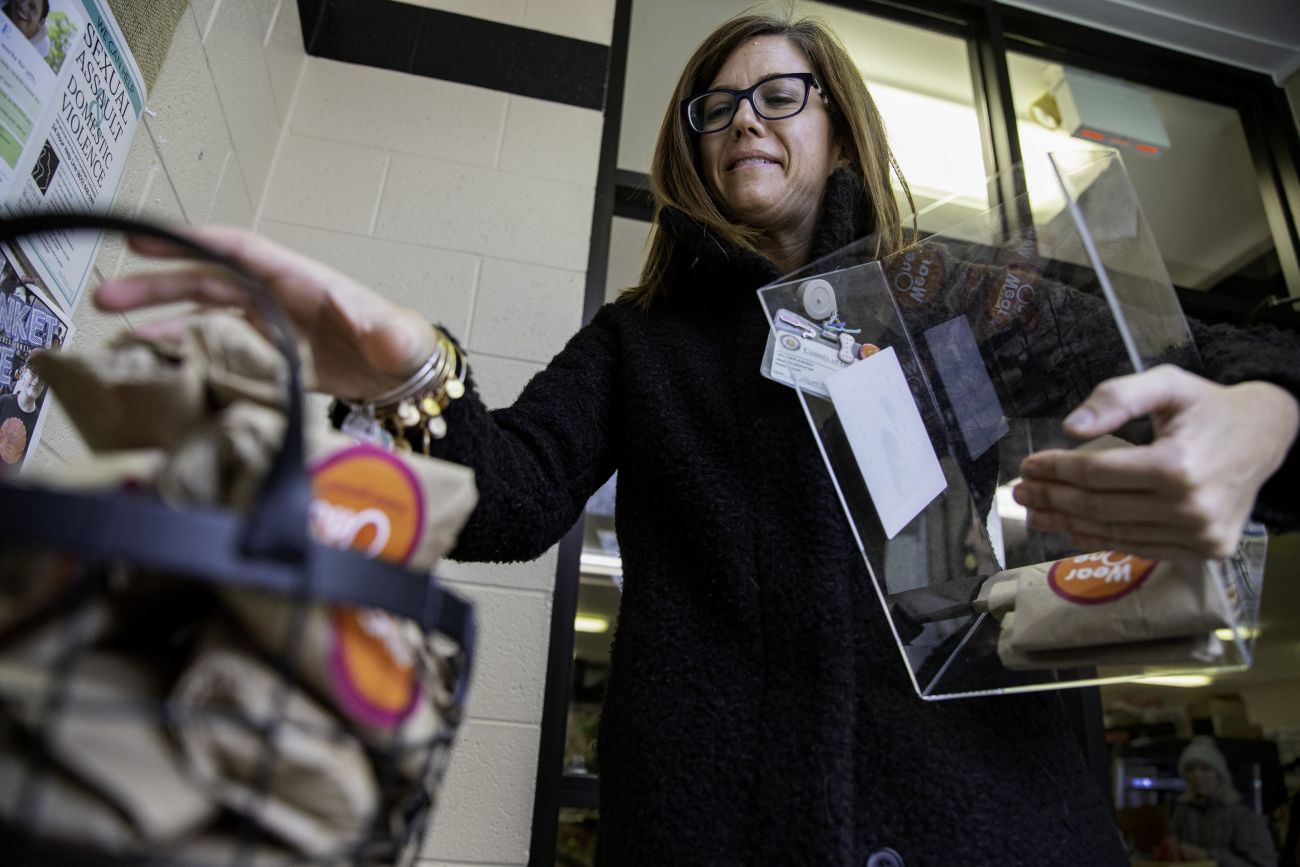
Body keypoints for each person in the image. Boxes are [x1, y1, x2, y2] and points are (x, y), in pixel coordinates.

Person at [92, 12, 1300, 865]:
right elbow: (509, 499)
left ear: (839, 123)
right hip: (706, 826)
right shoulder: (642, 339)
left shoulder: (956, 295)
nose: (744, 121)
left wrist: (1262, 418)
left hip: (993, 809)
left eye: (781, 94)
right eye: (713, 107)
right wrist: (414, 375)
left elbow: (1224, 372)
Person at [1163, 736, 1277, 867]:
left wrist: (1209, 856)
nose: (1197, 775)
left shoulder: (1241, 816)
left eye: (1205, 769)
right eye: (1190, 769)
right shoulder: (1182, 813)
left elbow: (1264, 864)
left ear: (1218, 774)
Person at [0, 358, 44, 467]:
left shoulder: (39, 423)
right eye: (34, 372)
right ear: (24, 372)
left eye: (43, 378)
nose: (37, 381)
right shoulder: (4, 402)